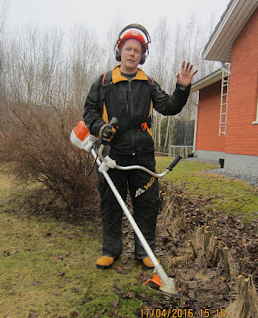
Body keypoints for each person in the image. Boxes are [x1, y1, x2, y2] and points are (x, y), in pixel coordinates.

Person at [83, 23, 198, 270]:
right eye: (128, 49)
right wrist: (100, 128)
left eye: (137, 50)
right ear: (119, 51)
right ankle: (110, 250)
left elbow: (169, 107)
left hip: (143, 154)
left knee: (147, 204)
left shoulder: (148, 83)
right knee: (111, 203)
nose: (132, 53)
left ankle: (144, 251)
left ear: (142, 55)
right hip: (112, 152)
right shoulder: (104, 81)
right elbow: (89, 112)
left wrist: (182, 88)